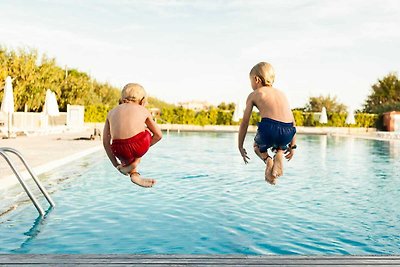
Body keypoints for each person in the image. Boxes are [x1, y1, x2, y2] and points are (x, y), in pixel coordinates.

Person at [238, 62, 297, 185]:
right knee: (280, 145)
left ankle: (268, 160)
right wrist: (293, 145)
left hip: (269, 129)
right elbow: (293, 121)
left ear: (256, 79)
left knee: (256, 146)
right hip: (288, 131)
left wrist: (240, 146)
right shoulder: (282, 94)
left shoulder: (255, 94)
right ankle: (279, 153)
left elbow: (245, 123)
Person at [103, 83, 162, 188]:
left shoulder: (111, 112)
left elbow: (106, 142)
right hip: (138, 146)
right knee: (146, 131)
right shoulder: (143, 110)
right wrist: (141, 151)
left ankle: (133, 173)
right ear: (142, 101)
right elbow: (158, 135)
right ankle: (135, 161)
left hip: (118, 150)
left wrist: (116, 164)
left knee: (123, 143)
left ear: (121, 99)